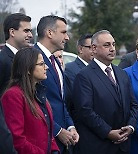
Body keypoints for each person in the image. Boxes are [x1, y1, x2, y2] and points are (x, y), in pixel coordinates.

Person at [72, 30, 138, 154]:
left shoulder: (122, 73)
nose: (112, 49)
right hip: (98, 145)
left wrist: (130, 127)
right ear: (94, 48)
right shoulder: (84, 76)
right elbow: (85, 111)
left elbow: (133, 105)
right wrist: (108, 132)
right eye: (107, 45)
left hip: (123, 146)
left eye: (113, 44)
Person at [1, 47, 60, 154]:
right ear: (28, 69)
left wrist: (55, 150)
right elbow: (17, 139)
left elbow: (48, 133)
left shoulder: (38, 93)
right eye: (41, 64)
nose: (46, 67)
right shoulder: (13, 95)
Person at [34, 15, 79, 154]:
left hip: (64, 141)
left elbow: (61, 100)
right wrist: (57, 130)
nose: (67, 38)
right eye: (64, 32)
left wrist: (71, 126)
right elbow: (32, 104)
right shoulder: (32, 58)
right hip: (44, 141)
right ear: (49, 33)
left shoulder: (55, 61)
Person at [0, 13, 33, 97]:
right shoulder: (2, 60)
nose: (30, 35)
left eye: (30, 31)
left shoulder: (23, 58)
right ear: (12, 32)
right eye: (26, 31)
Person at [64, 33, 93, 116]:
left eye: (95, 47)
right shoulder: (70, 69)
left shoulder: (98, 69)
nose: (94, 51)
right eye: (90, 47)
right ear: (80, 49)